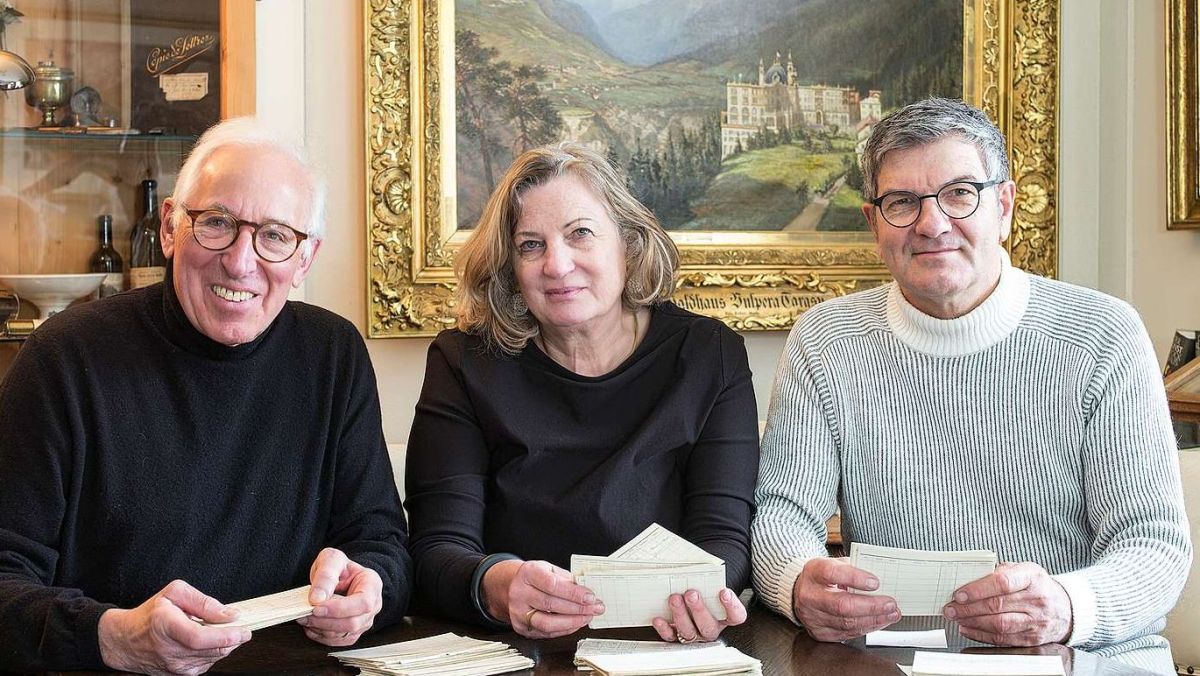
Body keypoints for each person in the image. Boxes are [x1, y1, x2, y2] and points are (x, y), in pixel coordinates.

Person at [751, 98, 1191, 673]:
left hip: (1084, 656)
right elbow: (782, 515)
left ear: (1004, 207)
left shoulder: (1102, 335)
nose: (932, 224)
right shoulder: (826, 340)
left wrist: (1065, 606)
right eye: (902, 202)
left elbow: (1154, 546)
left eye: (959, 193)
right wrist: (794, 582)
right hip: (895, 661)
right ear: (874, 224)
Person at [0, 117, 412, 673]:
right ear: (170, 228)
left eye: (275, 236)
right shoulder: (65, 357)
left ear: (305, 258)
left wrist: (369, 591)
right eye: (216, 223)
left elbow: (381, 543)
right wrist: (112, 637)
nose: (241, 262)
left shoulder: (332, 355)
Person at [405, 143, 758, 643]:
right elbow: (436, 548)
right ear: (509, 266)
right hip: (515, 647)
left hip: (661, 643)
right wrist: (496, 586)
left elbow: (723, 538)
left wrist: (704, 600)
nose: (557, 264)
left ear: (628, 244)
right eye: (531, 245)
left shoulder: (708, 354)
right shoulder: (464, 361)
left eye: (580, 234)